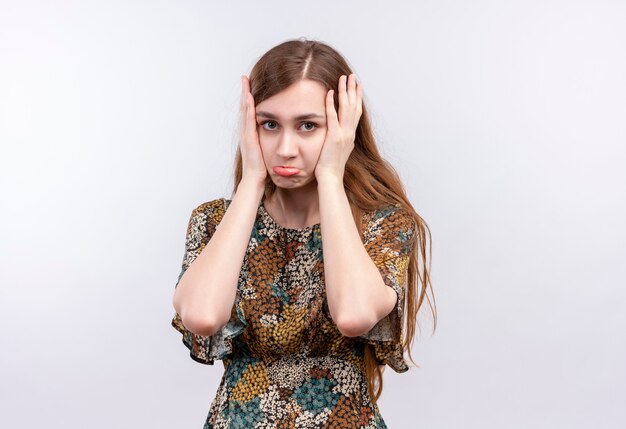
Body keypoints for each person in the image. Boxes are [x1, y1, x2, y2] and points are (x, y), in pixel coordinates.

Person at [171, 38, 436, 429]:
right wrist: (251, 183)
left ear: (344, 128)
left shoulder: (383, 224)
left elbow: (354, 315)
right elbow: (203, 316)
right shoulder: (213, 221)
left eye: (308, 126)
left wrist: (331, 175)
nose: (286, 148)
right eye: (269, 124)